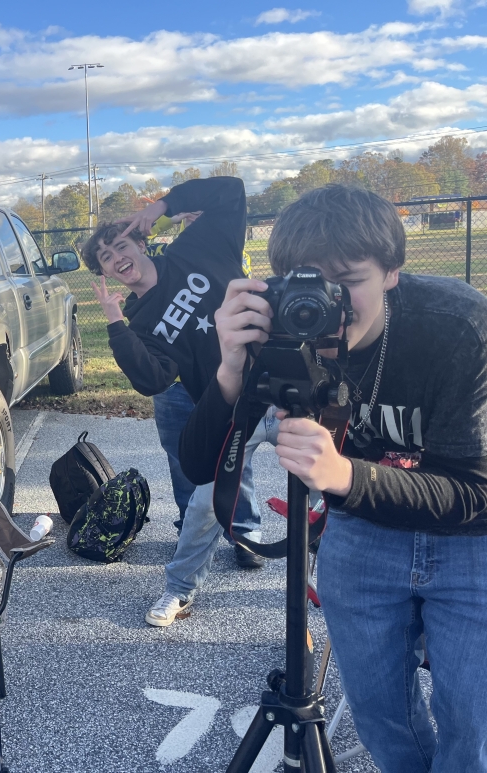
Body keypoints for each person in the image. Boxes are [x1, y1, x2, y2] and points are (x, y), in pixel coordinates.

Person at [180, 185, 487, 772]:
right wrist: (229, 368)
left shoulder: (456, 325)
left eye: (347, 280)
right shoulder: (275, 328)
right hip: (364, 534)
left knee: (471, 724)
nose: (325, 304)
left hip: (471, 541)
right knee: (381, 718)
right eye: (306, 281)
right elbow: (200, 467)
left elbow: (476, 490)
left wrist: (344, 474)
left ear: (392, 272)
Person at [83, 176, 266, 629]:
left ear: (141, 241)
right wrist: (116, 324)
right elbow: (153, 379)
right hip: (222, 400)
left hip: (274, 378)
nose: (117, 258)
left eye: (120, 245)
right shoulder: (139, 319)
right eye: (105, 258)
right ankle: (184, 578)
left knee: (330, 461)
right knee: (201, 488)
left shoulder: (195, 248)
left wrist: (162, 205)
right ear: (105, 274)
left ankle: (263, 536)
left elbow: (232, 191)